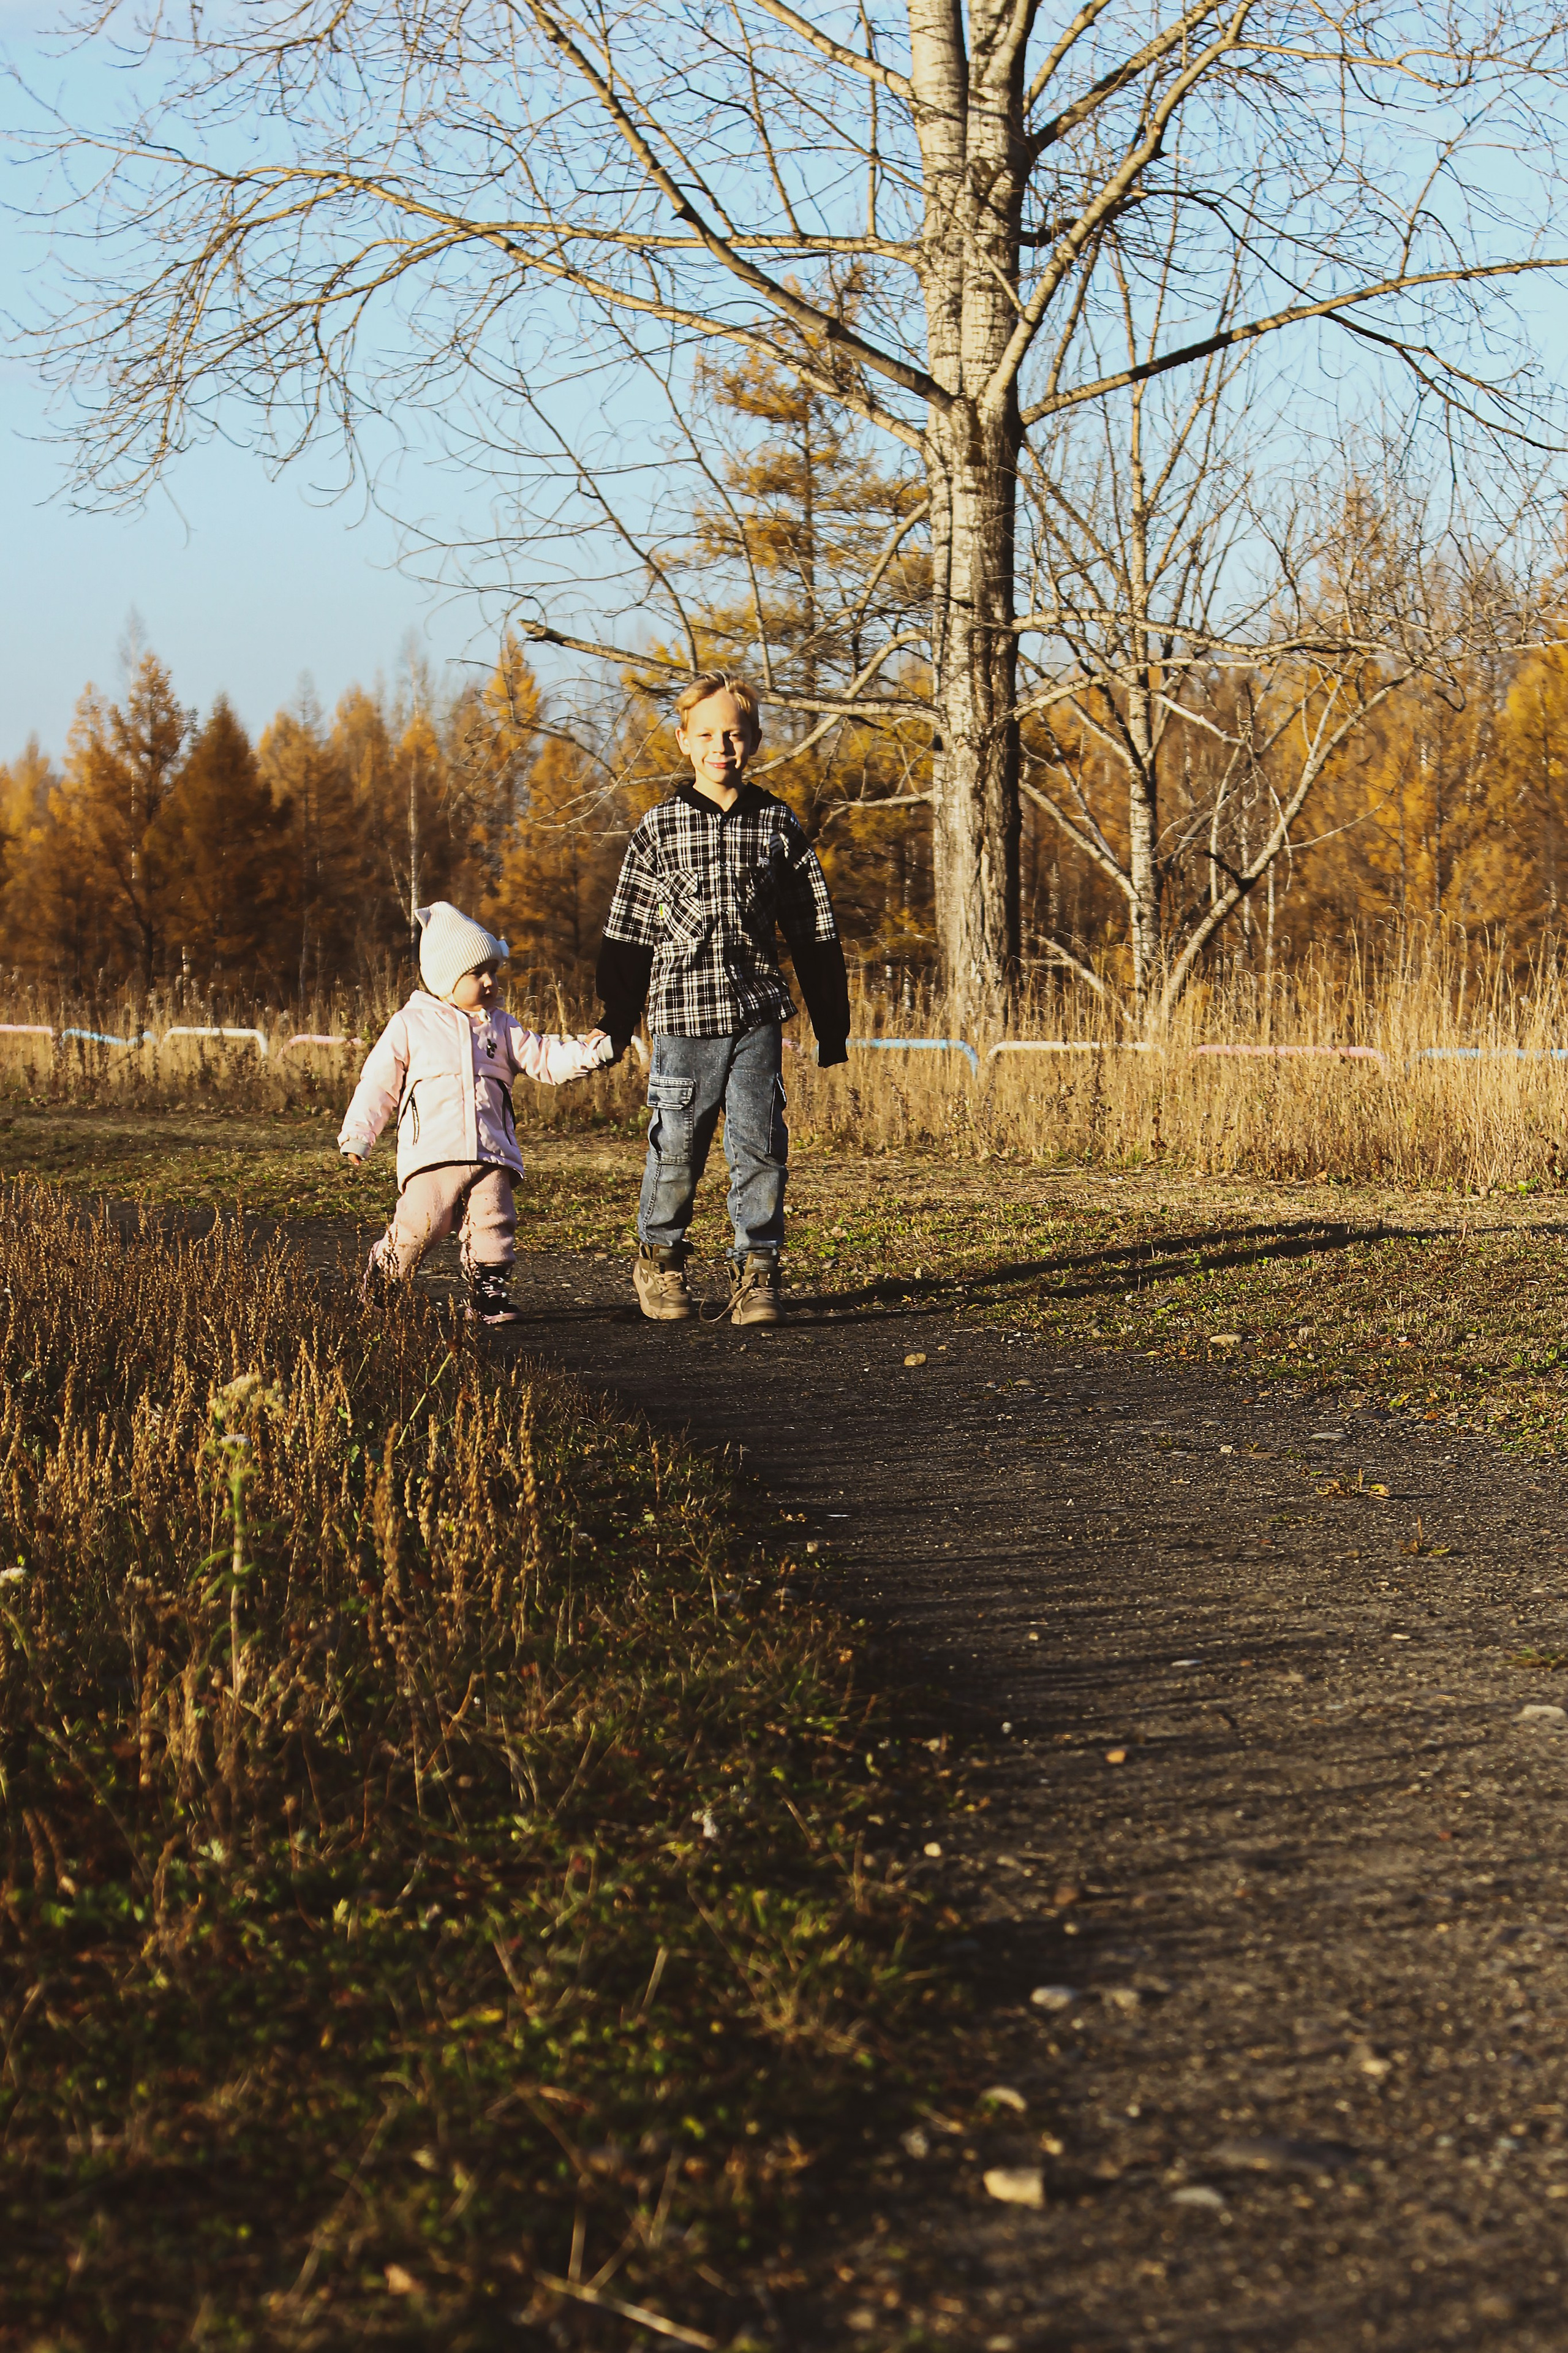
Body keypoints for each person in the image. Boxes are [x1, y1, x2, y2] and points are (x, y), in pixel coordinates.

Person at [595, 671, 850, 1328]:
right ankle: (661, 1258)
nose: (722, 747)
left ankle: (757, 1270)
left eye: (734, 735)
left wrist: (831, 1022)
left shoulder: (776, 824)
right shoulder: (659, 829)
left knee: (760, 1143)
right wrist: (616, 1022)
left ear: (755, 741)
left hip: (755, 1015)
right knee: (676, 1146)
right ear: (683, 742)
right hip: (681, 1021)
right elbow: (627, 932)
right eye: (706, 734)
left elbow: (811, 926)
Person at [339, 900, 613, 1324]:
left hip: (492, 1149)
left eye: (493, 972)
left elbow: (546, 1058)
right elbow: (379, 1082)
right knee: (422, 1224)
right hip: (434, 1150)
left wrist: (591, 1053)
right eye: (476, 974)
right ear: (445, 980)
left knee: (494, 1221)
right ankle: (384, 1276)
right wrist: (360, 1131)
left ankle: (489, 1293)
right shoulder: (411, 1024)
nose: (489, 982)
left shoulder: (502, 1026)